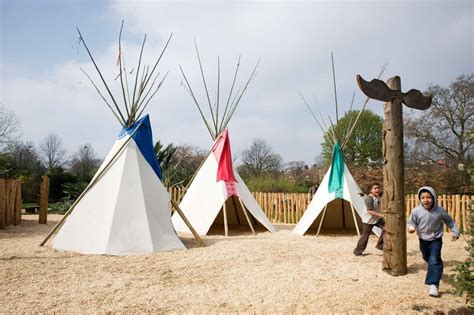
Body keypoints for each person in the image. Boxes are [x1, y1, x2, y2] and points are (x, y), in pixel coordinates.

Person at [407, 186, 460, 297]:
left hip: (436, 238)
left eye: (429, 197)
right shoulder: (416, 211)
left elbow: (449, 221)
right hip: (423, 239)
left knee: (434, 259)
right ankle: (435, 267)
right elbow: (411, 221)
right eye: (423, 198)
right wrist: (411, 227)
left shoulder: (440, 211)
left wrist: (455, 232)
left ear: (434, 198)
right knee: (427, 257)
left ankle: (433, 284)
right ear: (419, 199)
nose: (426, 200)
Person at [353, 182, 384, 256]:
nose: (377, 190)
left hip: (376, 218)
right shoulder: (369, 198)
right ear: (371, 190)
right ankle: (357, 252)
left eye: (378, 188)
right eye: (375, 188)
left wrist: (363, 194)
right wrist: (382, 215)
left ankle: (380, 245)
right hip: (368, 220)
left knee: (387, 228)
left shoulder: (378, 195)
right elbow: (369, 211)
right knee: (365, 236)